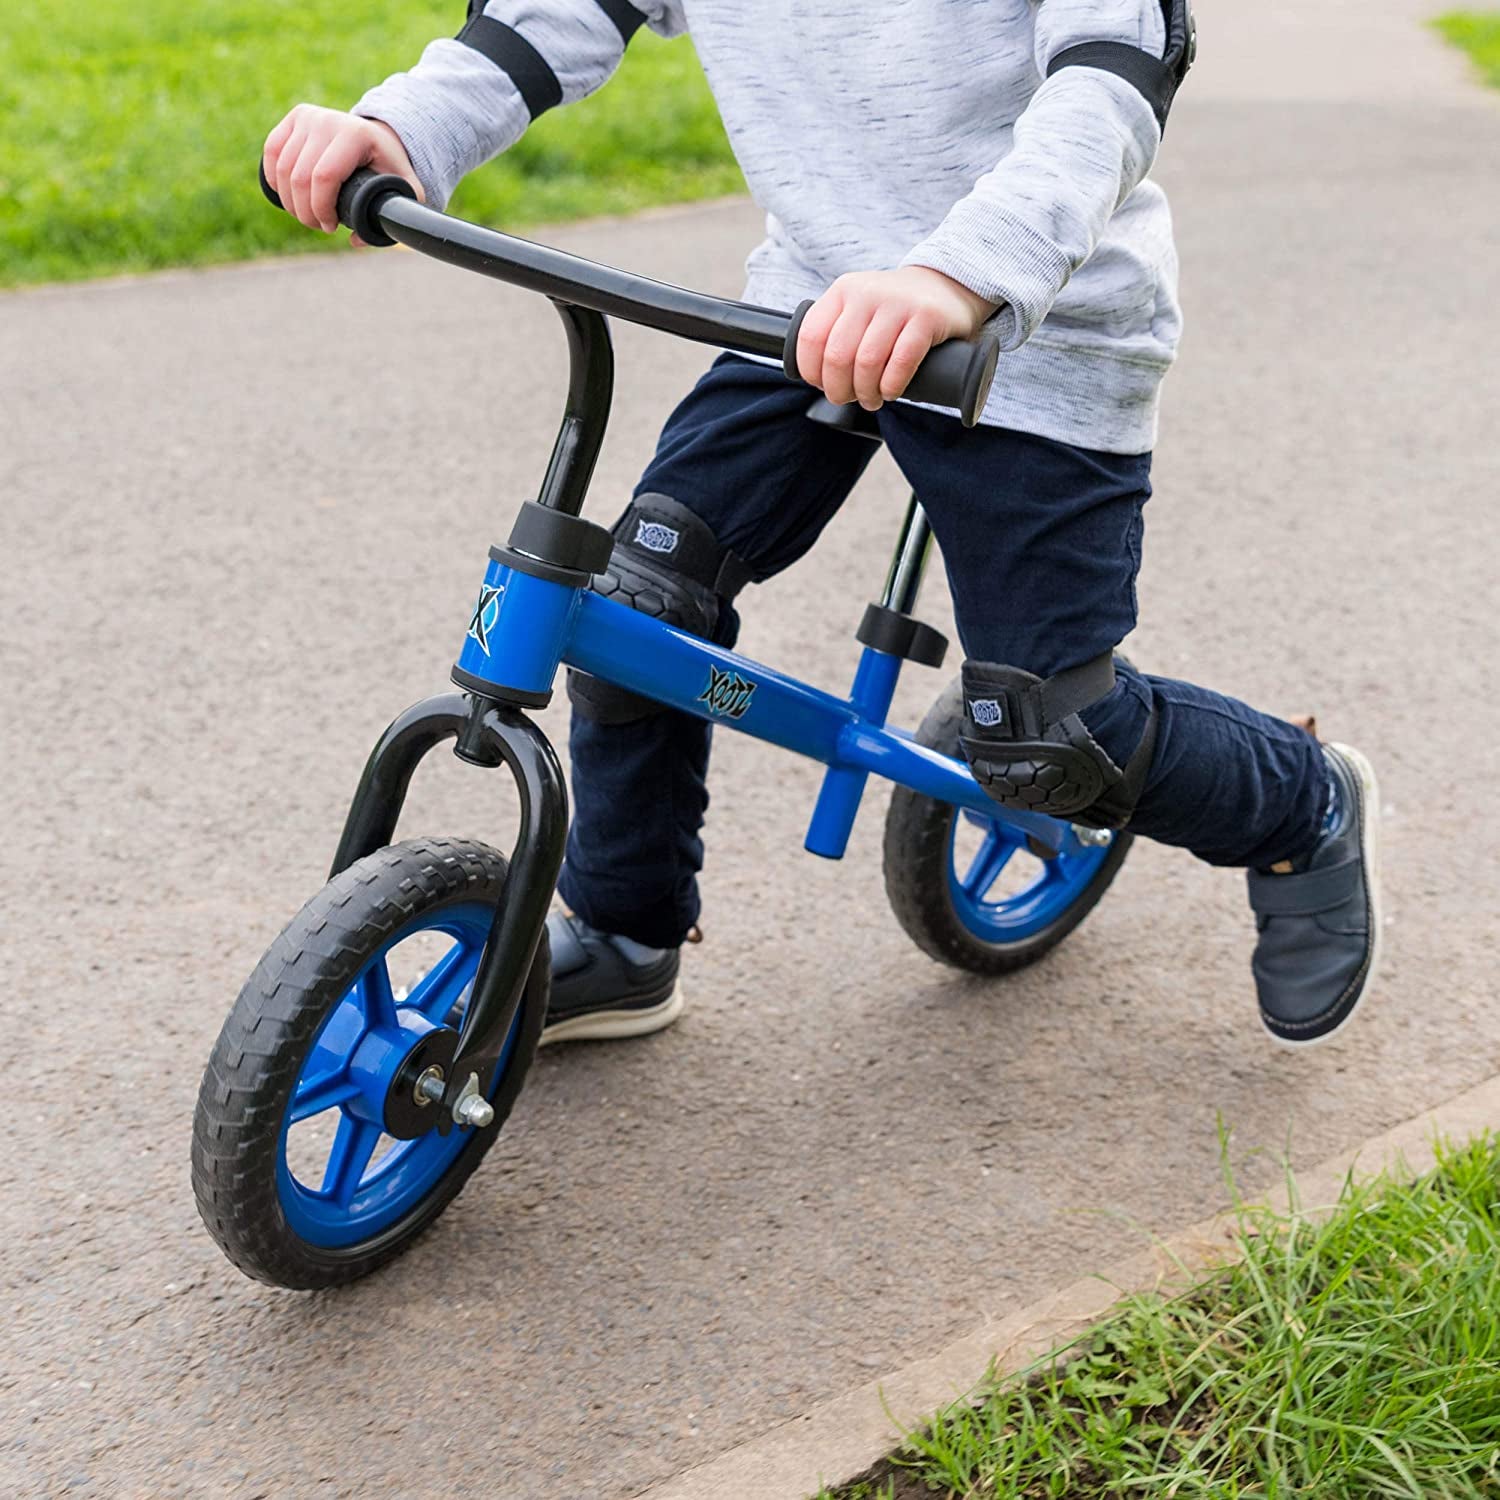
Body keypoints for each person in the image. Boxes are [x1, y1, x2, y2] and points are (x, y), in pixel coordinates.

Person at [263, 0, 1380, 1051]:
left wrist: (957, 276)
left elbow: (1109, 89)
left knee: (1051, 740)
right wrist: (399, 125)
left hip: (1029, 341)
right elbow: (549, 16)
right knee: (633, 611)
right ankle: (624, 930)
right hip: (813, 316)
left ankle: (1301, 801)